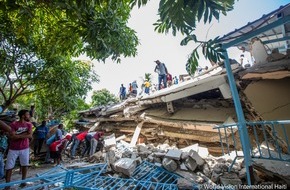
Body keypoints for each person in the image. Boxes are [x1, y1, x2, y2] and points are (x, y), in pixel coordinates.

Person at [5, 109, 33, 188]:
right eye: (27, 114)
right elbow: (12, 137)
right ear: (23, 116)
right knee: (9, 167)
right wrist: (25, 134)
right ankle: (7, 186)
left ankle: (23, 182)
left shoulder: (29, 124)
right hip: (13, 149)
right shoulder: (13, 124)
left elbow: (30, 135)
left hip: (25, 148)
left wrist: (18, 135)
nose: (29, 116)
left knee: (25, 165)